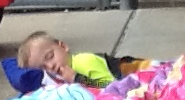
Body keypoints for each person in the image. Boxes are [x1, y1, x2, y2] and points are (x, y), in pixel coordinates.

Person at [17, 30, 151, 88]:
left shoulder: (84, 62)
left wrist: (78, 79)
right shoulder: (56, 77)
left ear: (63, 46)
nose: (50, 66)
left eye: (50, 57)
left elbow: (112, 87)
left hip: (136, 71)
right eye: (43, 67)